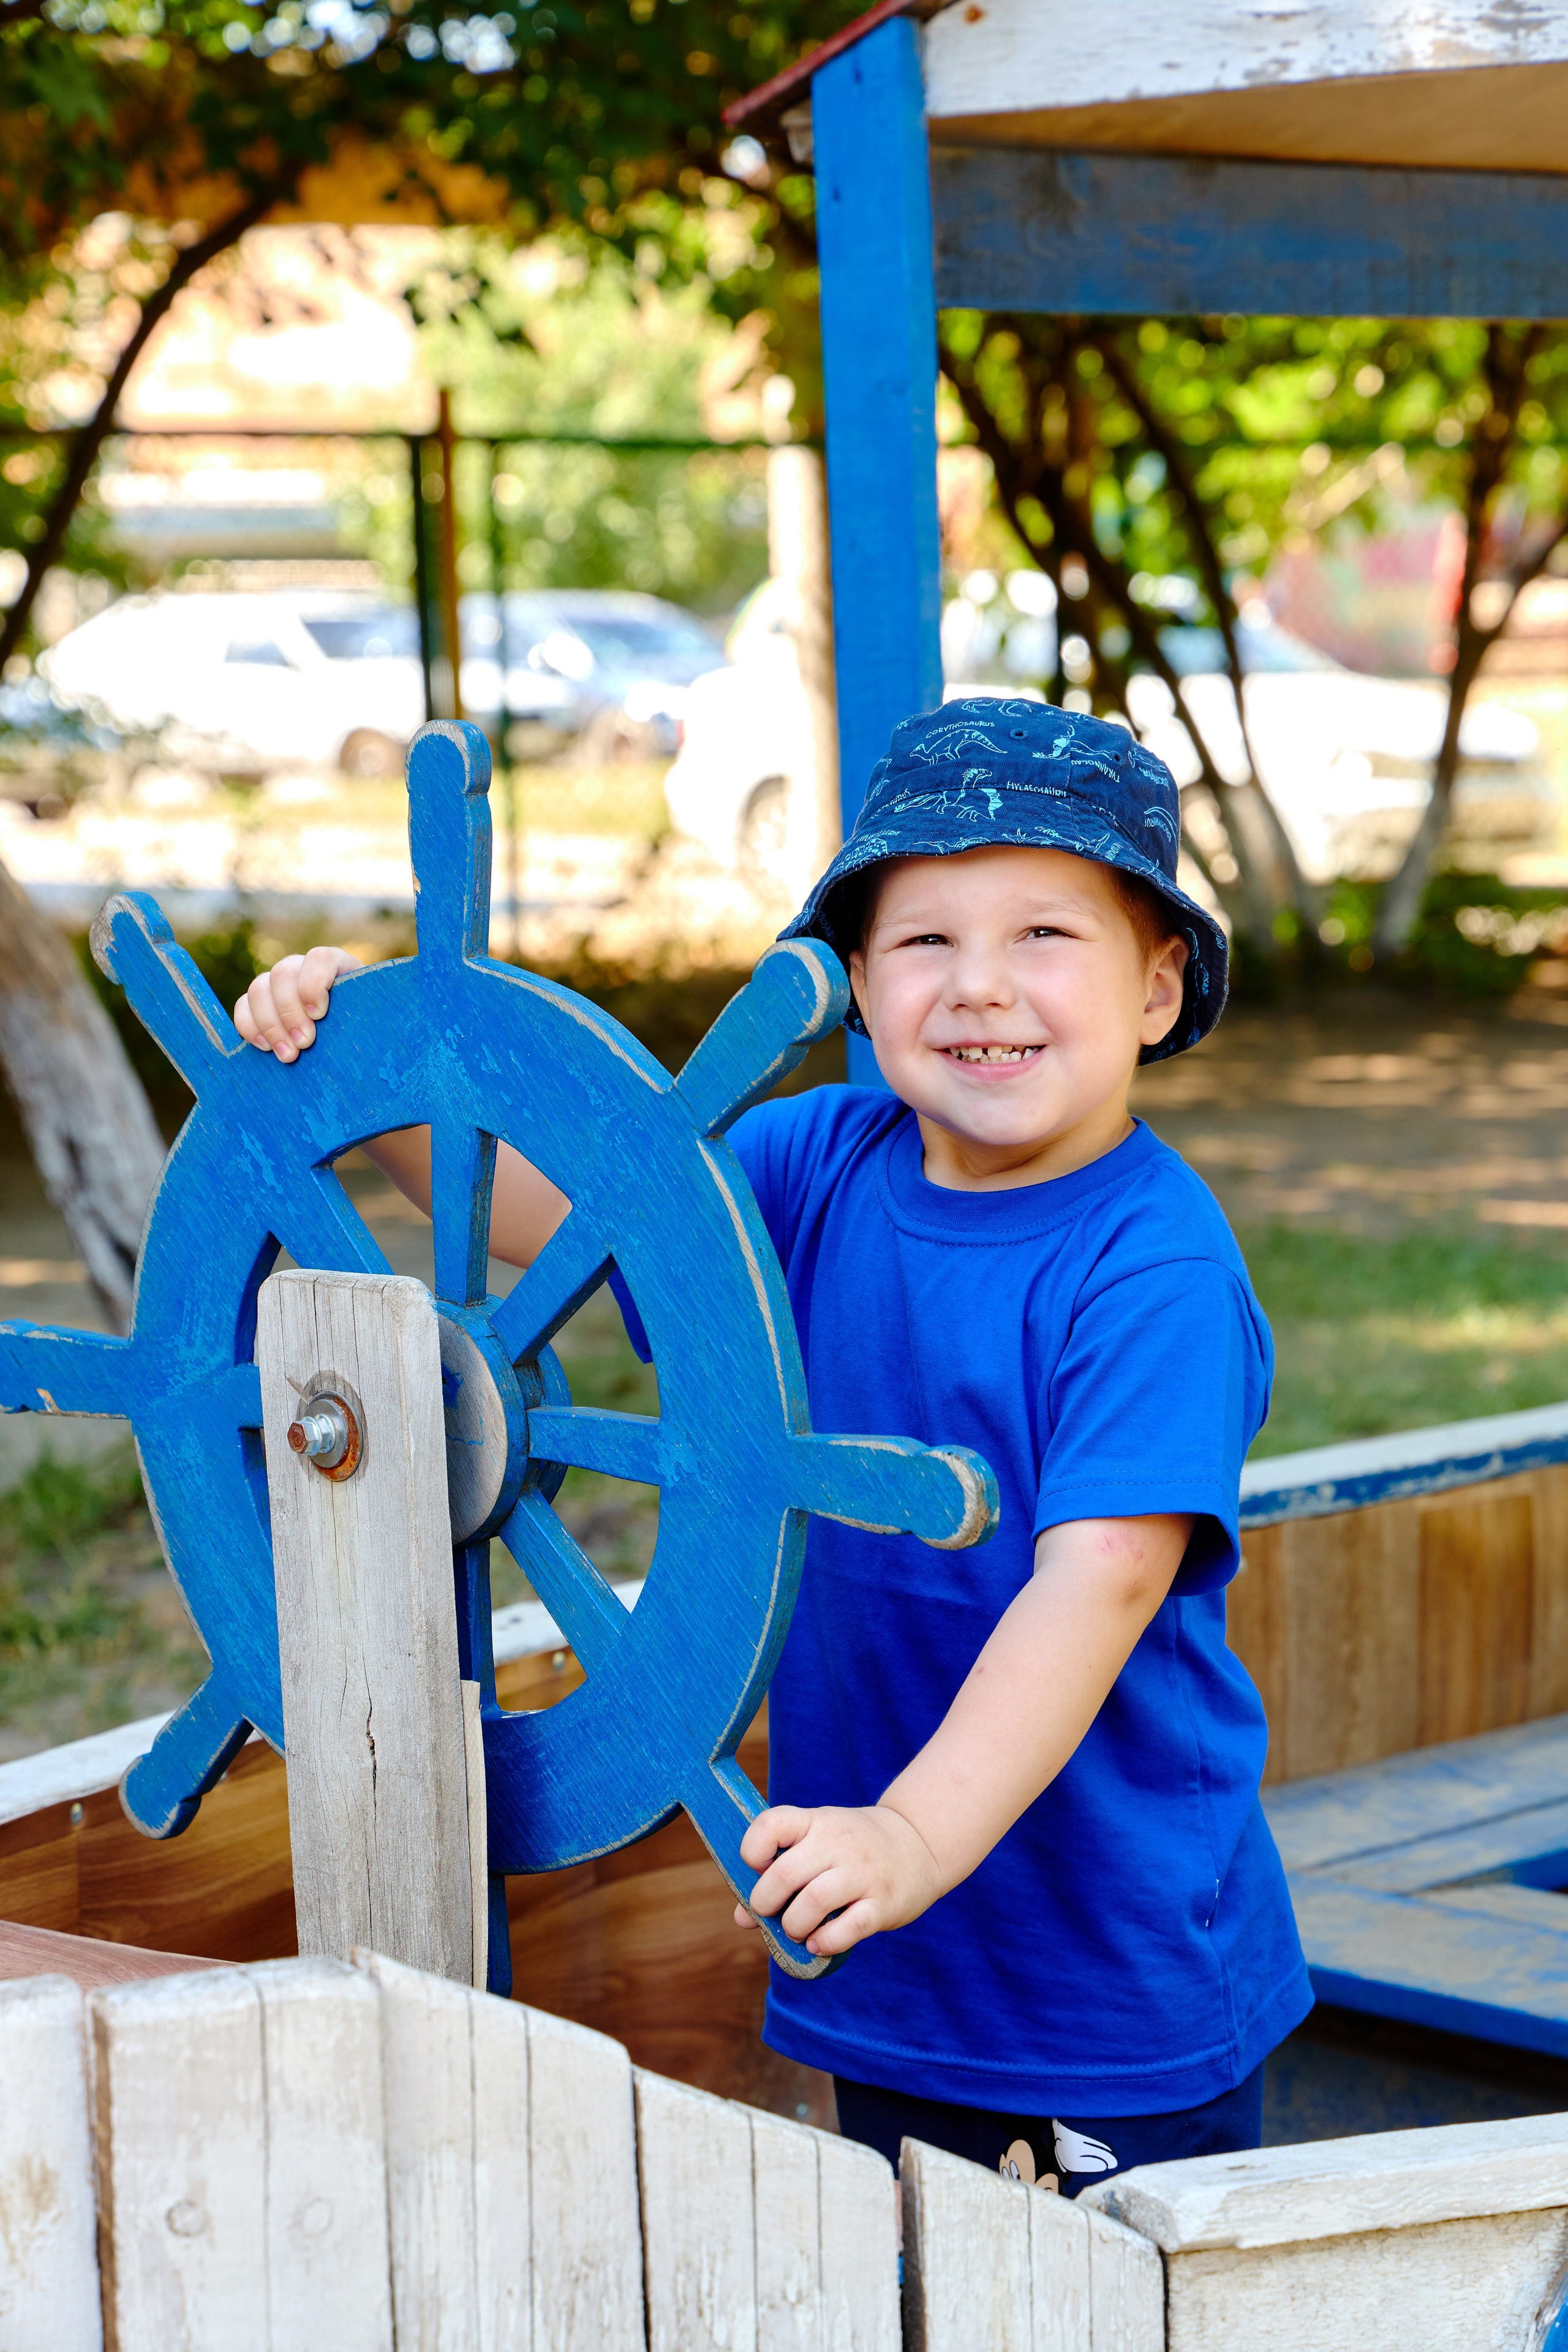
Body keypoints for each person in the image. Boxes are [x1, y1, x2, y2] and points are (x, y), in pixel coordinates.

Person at [234, 697, 1310, 2195]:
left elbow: (1099, 1590)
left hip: (1098, 1969)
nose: (978, 987)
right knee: (925, 2287)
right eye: (923, 942)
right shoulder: (813, 1165)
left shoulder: (1150, 1271)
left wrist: (912, 1838)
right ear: (857, 986)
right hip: (879, 1936)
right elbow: (583, 1238)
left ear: (1153, 984)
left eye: (1044, 937)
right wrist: (371, 1078)